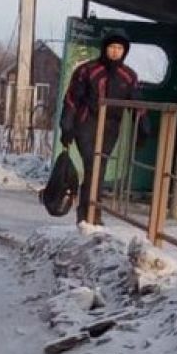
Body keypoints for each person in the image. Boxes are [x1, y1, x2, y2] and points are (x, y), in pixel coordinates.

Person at [59, 33, 141, 225]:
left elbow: (137, 102)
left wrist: (143, 125)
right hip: (86, 123)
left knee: (99, 167)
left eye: (120, 49)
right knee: (92, 165)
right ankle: (89, 213)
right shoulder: (87, 70)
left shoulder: (129, 76)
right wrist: (67, 125)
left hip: (111, 127)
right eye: (112, 47)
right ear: (105, 48)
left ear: (125, 52)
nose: (115, 52)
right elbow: (72, 99)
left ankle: (91, 211)